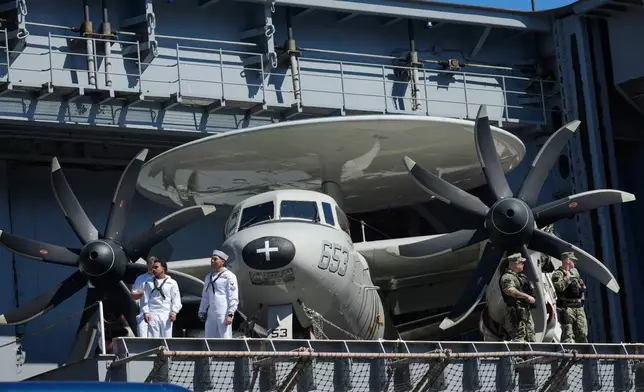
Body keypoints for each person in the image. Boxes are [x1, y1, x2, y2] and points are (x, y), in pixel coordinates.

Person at [198, 249, 239, 338]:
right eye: (211, 259)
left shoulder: (229, 276)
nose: (212, 261)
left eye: (215, 259)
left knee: (225, 338)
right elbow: (205, 296)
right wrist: (202, 311)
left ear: (222, 261)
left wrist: (230, 313)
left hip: (223, 312)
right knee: (209, 338)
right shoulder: (208, 277)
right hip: (211, 313)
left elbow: (233, 296)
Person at [552, 251, 588, 343]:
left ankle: (583, 355)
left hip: (578, 306)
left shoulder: (575, 272)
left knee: (582, 333)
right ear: (567, 260)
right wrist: (567, 278)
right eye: (573, 260)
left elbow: (581, 286)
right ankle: (566, 354)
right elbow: (559, 287)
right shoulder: (558, 274)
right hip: (567, 307)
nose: (574, 263)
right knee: (568, 334)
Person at [499, 253, 536, 342]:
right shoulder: (507, 277)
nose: (523, 265)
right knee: (519, 337)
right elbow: (511, 291)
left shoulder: (520, 277)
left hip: (524, 310)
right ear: (516, 263)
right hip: (516, 311)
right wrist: (527, 296)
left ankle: (531, 355)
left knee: (531, 337)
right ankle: (519, 355)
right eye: (521, 263)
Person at [141, 259, 183, 338]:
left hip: (166, 314)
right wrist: (146, 312)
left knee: (167, 338)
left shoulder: (172, 283)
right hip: (153, 314)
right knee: (153, 339)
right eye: (153, 267)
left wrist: (174, 312)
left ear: (163, 269)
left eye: (156, 267)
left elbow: (176, 299)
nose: (153, 269)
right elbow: (145, 299)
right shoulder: (148, 282)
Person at [131, 256, 157, 337]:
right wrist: (142, 293)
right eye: (150, 264)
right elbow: (133, 295)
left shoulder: (164, 279)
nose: (152, 266)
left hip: (157, 312)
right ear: (147, 265)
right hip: (143, 313)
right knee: (143, 336)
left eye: (154, 264)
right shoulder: (141, 278)